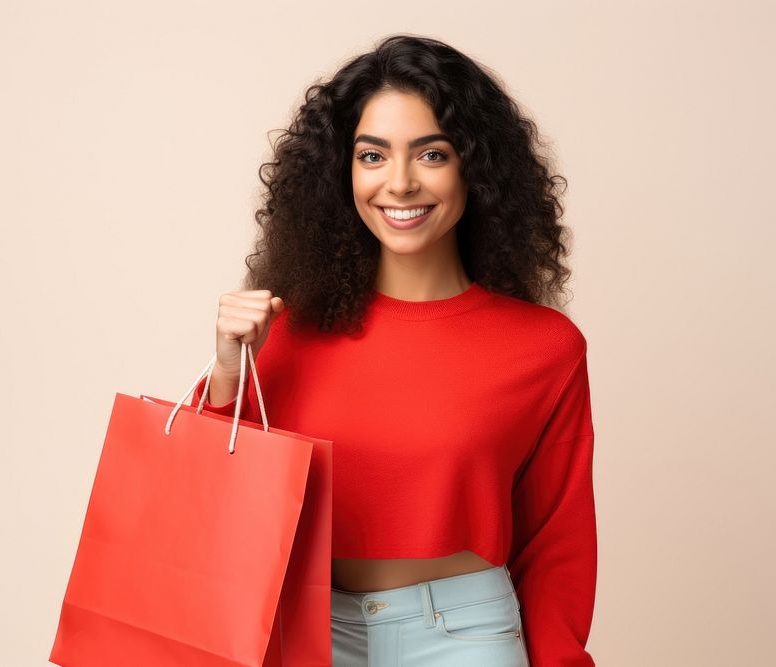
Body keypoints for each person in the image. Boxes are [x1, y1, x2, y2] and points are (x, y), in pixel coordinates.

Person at [191, 34, 597, 667]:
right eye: (372, 155)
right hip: (303, 633)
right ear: (341, 172)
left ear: (477, 168)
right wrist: (226, 369)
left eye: (431, 154)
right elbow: (210, 502)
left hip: (466, 637)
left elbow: (556, 543)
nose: (399, 184)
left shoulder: (543, 348)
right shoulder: (282, 330)